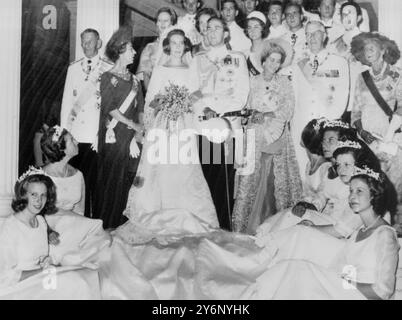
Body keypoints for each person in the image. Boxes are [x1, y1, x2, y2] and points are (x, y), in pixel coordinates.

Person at [117, 28, 219, 238]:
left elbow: (196, 98)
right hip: (163, 126)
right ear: (167, 46)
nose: (178, 47)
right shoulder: (160, 69)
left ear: (186, 46)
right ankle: (158, 217)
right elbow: (151, 100)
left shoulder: (191, 68)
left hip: (184, 126)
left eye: (181, 43)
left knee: (184, 169)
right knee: (161, 169)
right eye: (174, 43)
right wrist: (166, 102)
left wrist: (191, 106)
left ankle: (186, 217)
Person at [246, 166, 400, 300]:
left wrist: (342, 282)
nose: (352, 196)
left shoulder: (385, 235)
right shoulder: (359, 231)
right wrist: (333, 278)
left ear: (374, 195)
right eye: (351, 191)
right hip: (344, 289)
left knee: (299, 270)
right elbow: (347, 266)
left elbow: (383, 292)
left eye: (359, 191)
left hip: (357, 295)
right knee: (293, 266)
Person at [232, 38, 302, 234]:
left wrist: (271, 115)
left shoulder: (285, 83)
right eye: (271, 60)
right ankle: (248, 225)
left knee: (274, 178)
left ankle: (277, 225)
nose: (274, 64)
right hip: (256, 134)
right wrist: (251, 114)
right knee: (254, 176)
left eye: (278, 61)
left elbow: (289, 107)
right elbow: (244, 106)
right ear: (263, 61)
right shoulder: (251, 81)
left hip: (278, 133)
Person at [0, 169, 100, 299]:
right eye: (34, 195)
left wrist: (48, 265)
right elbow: (5, 276)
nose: (39, 200)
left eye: (43, 195)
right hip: (20, 287)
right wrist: (43, 271)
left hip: (41, 278)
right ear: (23, 195)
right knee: (76, 284)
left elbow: (41, 257)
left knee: (86, 275)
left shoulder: (41, 221)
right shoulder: (10, 227)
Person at [191, 16, 250, 230]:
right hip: (203, 127)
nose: (212, 31)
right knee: (205, 181)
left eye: (217, 28)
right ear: (204, 33)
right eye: (208, 28)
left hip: (225, 125)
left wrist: (216, 109)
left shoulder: (237, 58)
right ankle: (205, 228)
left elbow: (241, 94)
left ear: (226, 33)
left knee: (223, 182)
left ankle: (222, 231)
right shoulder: (197, 59)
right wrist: (204, 109)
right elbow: (191, 92)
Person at [94, 27, 145, 229]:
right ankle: (108, 225)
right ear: (120, 50)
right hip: (113, 137)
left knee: (129, 182)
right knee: (112, 182)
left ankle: (124, 226)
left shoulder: (135, 81)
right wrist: (132, 124)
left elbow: (140, 107)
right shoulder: (107, 78)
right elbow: (110, 109)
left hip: (131, 139)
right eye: (131, 48)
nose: (134, 52)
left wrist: (139, 129)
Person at [60, 28, 113, 217]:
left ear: (98, 43)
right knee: (77, 179)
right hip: (76, 136)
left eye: (90, 41)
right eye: (83, 42)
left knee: (96, 181)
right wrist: (65, 132)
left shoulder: (108, 68)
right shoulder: (73, 68)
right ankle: (78, 218)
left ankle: (96, 219)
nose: (86, 45)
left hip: (95, 134)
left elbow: (111, 105)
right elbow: (67, 101)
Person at [351, 32, 402, 223]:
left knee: (395, 187)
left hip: (391, 139)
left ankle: (397, 229)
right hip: (367, 140)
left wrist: (387, 138)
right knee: (373, 187)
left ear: (383, 50)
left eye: (372, 47)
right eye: (365, 48)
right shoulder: (361, 77)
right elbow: (355, 112)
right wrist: (363, 133)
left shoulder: (398, 75)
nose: (368, 51)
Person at [291, 20, 350, 181]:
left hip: (327, 128)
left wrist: (327, 128)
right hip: (302, 128)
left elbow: (341, 100)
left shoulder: (339, 63)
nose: (312, 37)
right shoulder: (298, 65)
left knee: (328, 176)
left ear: (324, 36)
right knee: (304, 173)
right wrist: (295, 129)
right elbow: (295, 99)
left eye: (316, 33)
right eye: (308, 34)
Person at [40, 125, 85, 215]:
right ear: (61, 147)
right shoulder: (41, 177)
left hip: (73, 225)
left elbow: (80, 211)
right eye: (72, 140)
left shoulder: (78, 175)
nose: (77, 142)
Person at [136, 7, 178, 90]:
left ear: (172, 23)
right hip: (155, 91)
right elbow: (146, 75)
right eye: (159, 20)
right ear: (156, 23)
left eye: (166, 21)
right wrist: (151, 97)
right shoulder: (150, 47)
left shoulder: (179, 45)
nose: (162, 24)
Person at [244, 11, 269, 76]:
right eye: (249, 27)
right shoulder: (245, 54)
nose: (252, 31)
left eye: (256, 27)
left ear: (263, 28)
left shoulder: (269, 51)